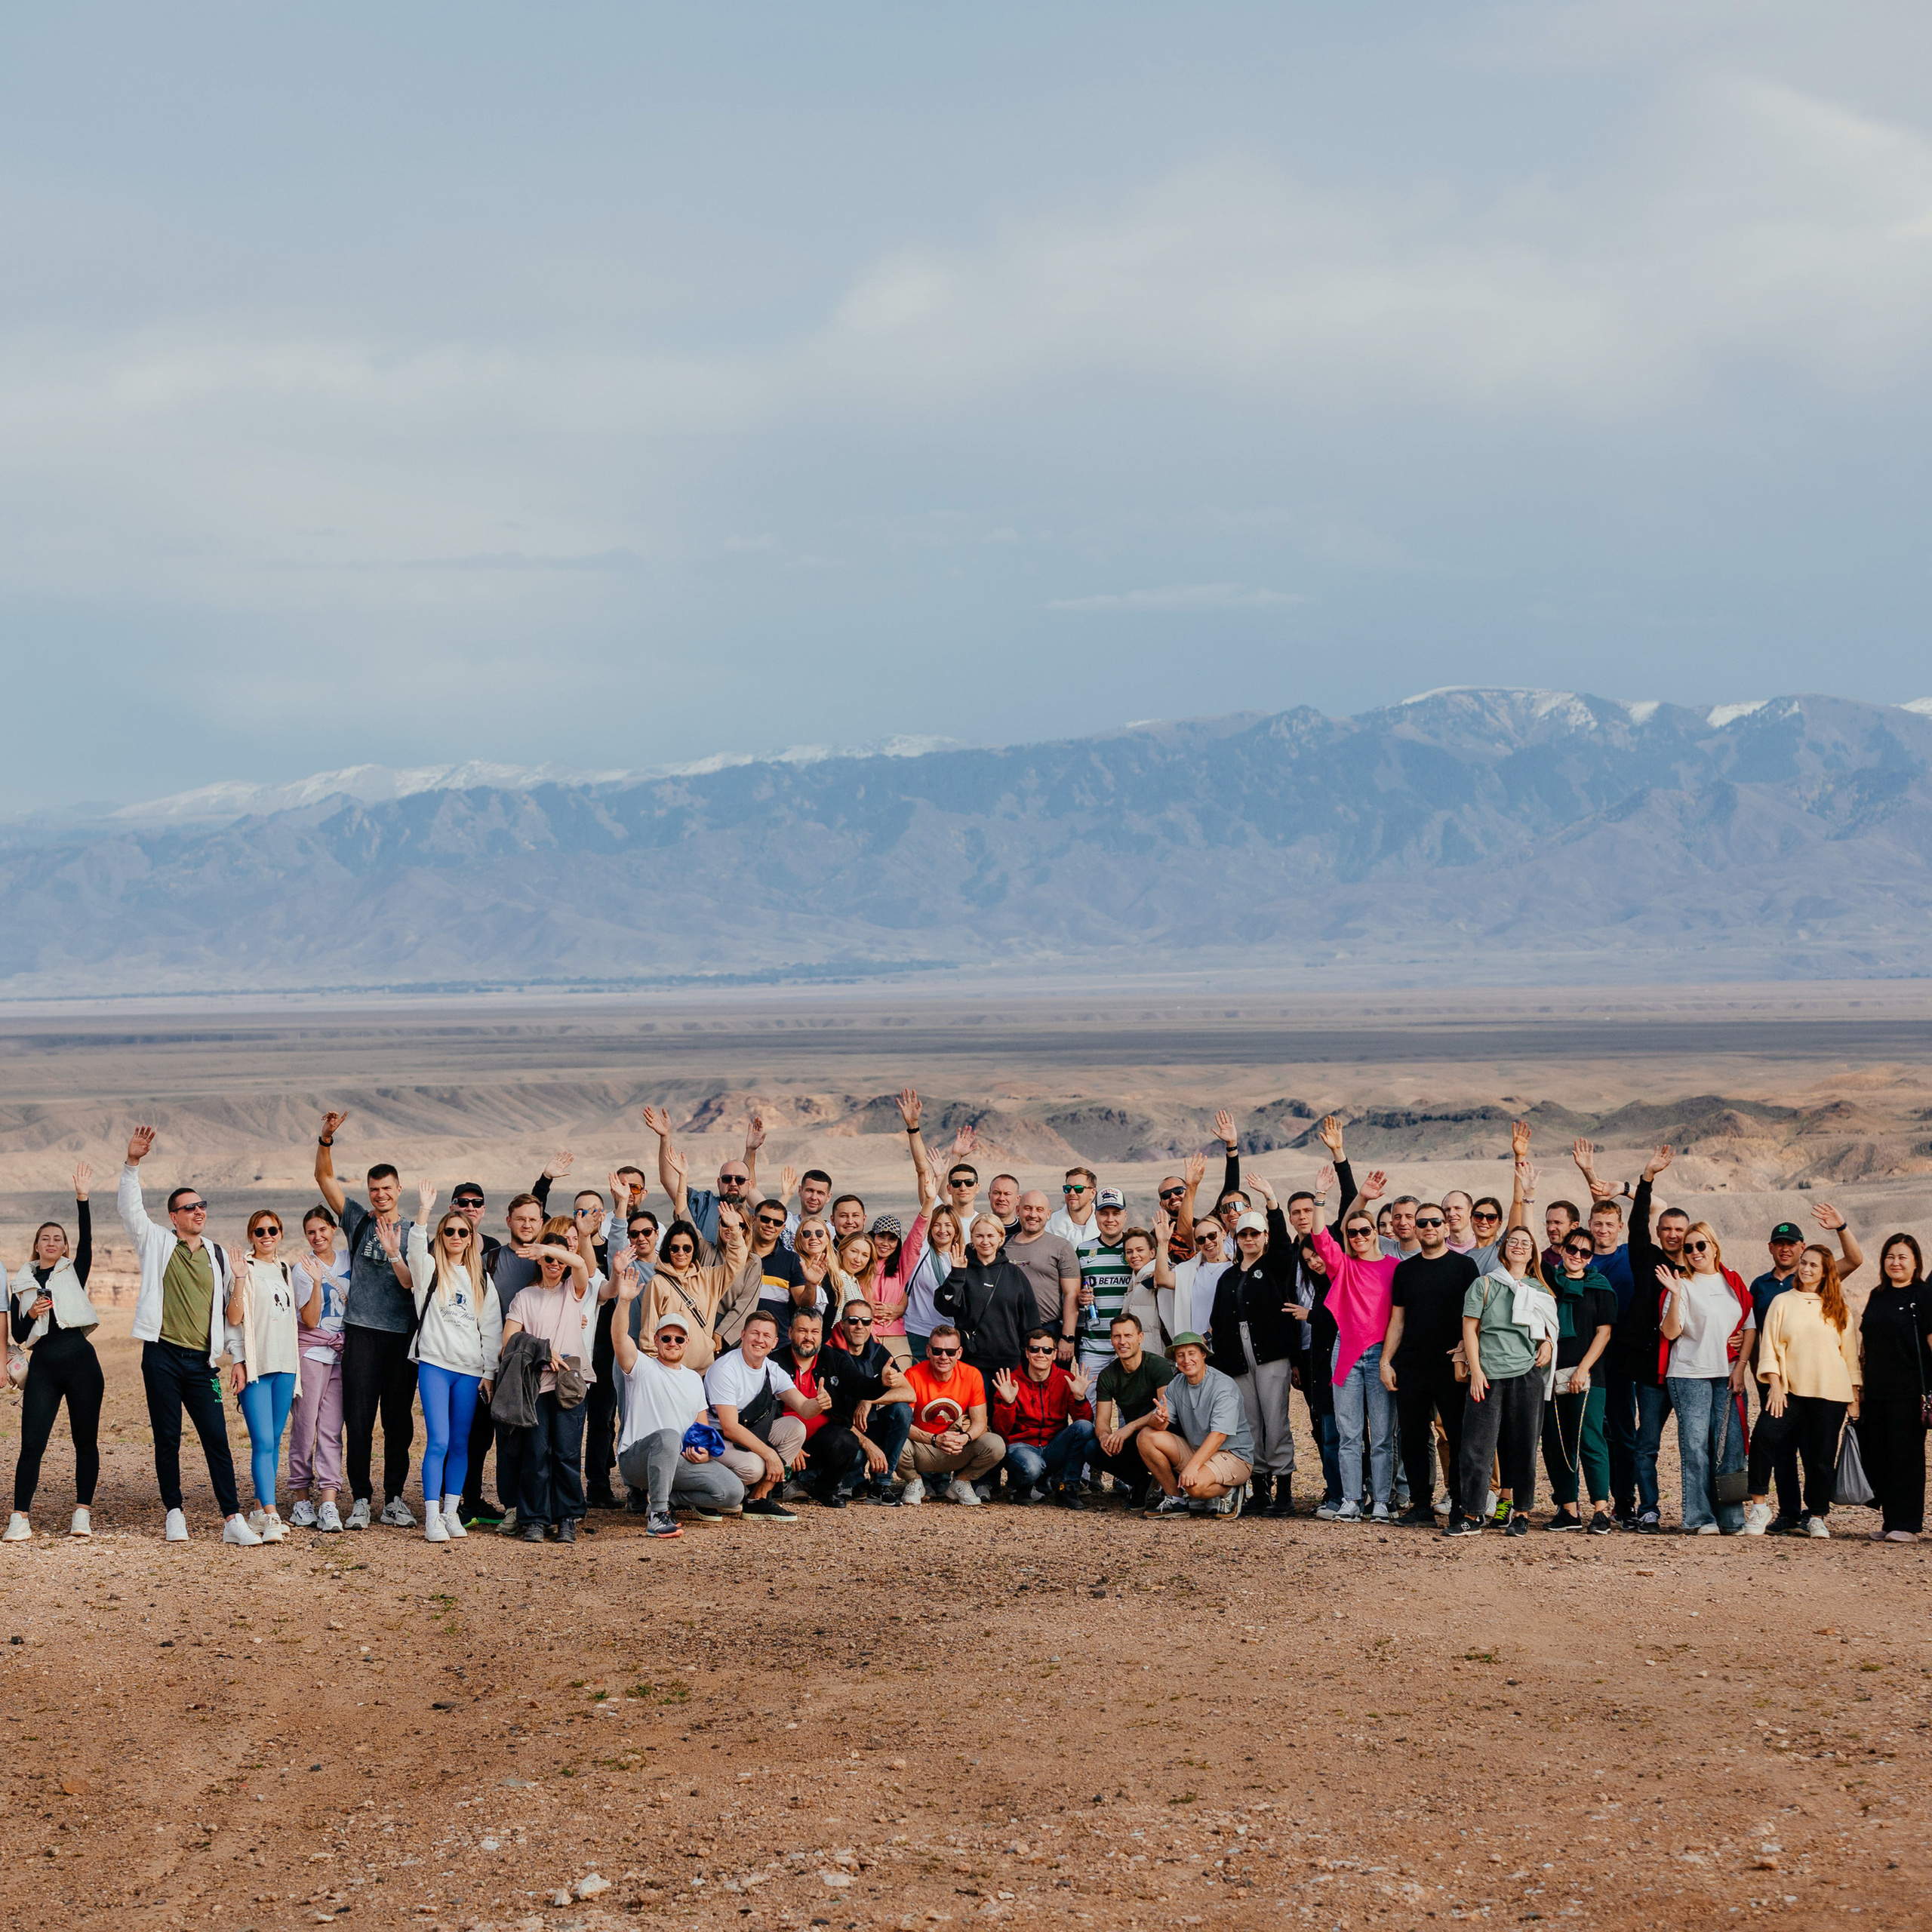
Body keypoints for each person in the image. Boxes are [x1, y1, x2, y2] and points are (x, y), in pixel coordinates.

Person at [117, 1125, 258, 1544]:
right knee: (168, 1436)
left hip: (201, 1363)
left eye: (202, 1205)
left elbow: (228, 1317)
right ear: (174, 1216)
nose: (198, 1211)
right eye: (189, 1207)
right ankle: (174, 1512)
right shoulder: (157, 1241)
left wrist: (237, 1359)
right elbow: (130, 1211)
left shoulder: (216, 1253)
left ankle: (233, 1520)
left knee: (217, 1437)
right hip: (161, 1355)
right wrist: (133, 1164)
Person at [313, 1109, 417, 1531]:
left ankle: (394, 1499)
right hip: (361, 1334)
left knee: (398, 1422)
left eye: (386, 1188)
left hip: (401, 1338)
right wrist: (325, 1140)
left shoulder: (415, 1232)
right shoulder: (359, 1222)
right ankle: (360, 1499)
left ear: (398, 1189)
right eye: (374, 1189)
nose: (379, 1195)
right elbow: (324, 1180)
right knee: (358, 1420)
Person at [1746, 1207, 1866, 1534]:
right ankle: (1775, 1511)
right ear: (1772, 1248)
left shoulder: (1836, 1303)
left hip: (1830, 1390)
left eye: (1812, 1262)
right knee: (1769, 1443)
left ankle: (1815, 1516)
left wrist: (1854, 1396)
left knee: (1820, 1456)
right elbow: (1761, 1336)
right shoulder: (1773, 1294)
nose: (1807, 1267)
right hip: (1783, 1386)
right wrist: (1772, 1381)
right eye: (1805, 1264)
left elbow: (1849, 1355)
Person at [395, 1186, 503, 1543]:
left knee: (461, 1443)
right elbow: (414, 1250)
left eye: (463, 1232)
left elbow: (491, 1330)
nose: (457, 1237)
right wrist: (424, 1212)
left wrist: (488, 1374)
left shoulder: (482, 1280)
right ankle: (431, 1516)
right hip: (435, 1366)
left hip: (470, 1371)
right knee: (438, 1441)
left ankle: (451, 1512)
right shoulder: (430, 1271)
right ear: (441, 1236)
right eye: (450, 1232)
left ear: (472, 1239)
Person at [6, 1163, 104, 1542]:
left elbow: (90, 1239)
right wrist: (31, 1313)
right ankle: (20, 1517)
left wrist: (83, 1198)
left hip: (82, 1364)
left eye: (58, 1238)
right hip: (43, 1366)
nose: (51, 1242)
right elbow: (17, 1333)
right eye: (45, 1238)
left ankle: (82, 1513)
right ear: (36, 1245)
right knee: (32, 1442)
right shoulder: (23, 1284)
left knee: (86, 1441)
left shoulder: (74, 1272)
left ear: (65, 1247)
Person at [1200, 1179, 1303, 1519]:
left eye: (1255, 1234)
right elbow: (1217, 1318)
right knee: (1250, 1421)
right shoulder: (1228, 1277)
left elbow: (1285, 1243)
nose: (1248, 1240)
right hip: (1236, 1356)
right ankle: (1259, 1488)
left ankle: (1284, 1489)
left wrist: (1271, 1201)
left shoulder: (1275, 1266)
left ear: (1264, 1237)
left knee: (1276, 1419)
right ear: (1236, 1238)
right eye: (1243, 1235)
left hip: (1271, 1352)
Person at [1447, 1226, 1555, 1540]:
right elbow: (1470, 1329)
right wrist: (1477, 1371)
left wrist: (1548, 1342)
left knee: (1523, 1447)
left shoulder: (1540, 1289)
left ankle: (1520, 1513)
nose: (1519, 1247)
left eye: (1526, 1243)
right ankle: (1472, 1513)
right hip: (1489, 1374)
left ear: (1533, 1252)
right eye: (1513, 1242)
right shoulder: (1484, 1285)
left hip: (1526, 1376)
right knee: (1476, 1447)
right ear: (1503, 1248)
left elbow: (1549, 1327)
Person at [499, 1215, 598, 1544]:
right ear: (539, 1261)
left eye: (560, 1259)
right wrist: (541, 1349)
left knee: (567, 1453)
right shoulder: (524, 1298)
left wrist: (549, 1247)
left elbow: (582, 1265)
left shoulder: (575, 1291)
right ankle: (536, 1519)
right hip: (536, 1386)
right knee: (536, 1453)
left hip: (570, 1384)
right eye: (548, 1259)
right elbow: (508, 1343)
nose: (555, 1264)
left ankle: (567, 1518)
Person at [1381, 1202, 1479, 1529]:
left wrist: (1467, 1348)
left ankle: (1460, 1505)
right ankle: (1421, 1506)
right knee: (1411, 1437)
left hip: (1452, 1367)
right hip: (1411, 1366)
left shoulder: (1465, 1267)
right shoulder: (1405, 1271)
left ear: (1446, 1226)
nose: (1429, 1227)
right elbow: (1398, 1319)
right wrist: (1386, 1360)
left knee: (1457, 1436)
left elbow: (1476, 1317)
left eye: (1435, 1221)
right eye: (1422, 1222)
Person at [611, 1298, 743, 1539]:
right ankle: (658, 1516)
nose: (673, 1343)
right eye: (666, 1338)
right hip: (638, 1460)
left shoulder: (694, 1378)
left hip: (679, 1460)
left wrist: (703, 1452)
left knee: (733, 1492)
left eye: (679, 1339)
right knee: (669, 1437)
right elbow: (619, 1336)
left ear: (687, 1343)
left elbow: (702, 1427)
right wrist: (625, 1300)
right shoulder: (642, 1368)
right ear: (656, 1341)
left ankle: (670, 1498)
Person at [1601, 1147, 1683, 1534]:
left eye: (1679, 1231)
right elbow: (1638, 1224)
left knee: (1675, 1440)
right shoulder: (1645, 1257)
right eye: (1666, 1228)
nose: (1671, 1235)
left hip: (1678, 1362)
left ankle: (1704, 1509)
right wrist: (1646, 1179)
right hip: (1634, 1358)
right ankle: (1632, 1505)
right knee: (1631, 1434)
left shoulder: (1698, 1267)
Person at [1312, 1172, 1400, 1522]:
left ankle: (1380, 1501)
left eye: (1366, 1230)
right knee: (1349, 1435)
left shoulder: (1395, 1268)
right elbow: (1319, 1236)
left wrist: (1391, 1359)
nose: (1359, 1236)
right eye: (1352, 1232)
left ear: (1376, 1233)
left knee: (1381, 1436)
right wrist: (1322, 1196)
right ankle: (1351, 1500)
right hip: (1346, 1354)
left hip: (1382, 1357)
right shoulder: (1342, 1267)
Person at [1657, 1220, 1754, 1537]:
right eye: (1689, 1248)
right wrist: (1674, 1293)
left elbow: (1749, 1327)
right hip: (1690, 1374)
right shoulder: (1682, 1283)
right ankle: (1700, 1518)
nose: (1695, 1252)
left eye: (1701, 1245)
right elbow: (1671, 1332)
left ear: (1714, 1246)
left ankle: (1731, 1518)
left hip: (1726, 1373)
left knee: (1730, 1447)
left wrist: (1740, 1368)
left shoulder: (1733, 1282)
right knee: (1696, 1447)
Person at [460, 1192, 546, 1531]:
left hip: (539, 1367)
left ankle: (531, 1507)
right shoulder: (490, 1260)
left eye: (533, 1219)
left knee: (534, 1440)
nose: (527, 1224)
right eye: (520, 1218)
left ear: (541, 1223)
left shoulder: (548, 1259)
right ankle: (470, 1500)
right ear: (508, 1221)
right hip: (493, 1365)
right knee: (480, 1436)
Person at [935, 1215, 1036, 1469]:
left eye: (991, 1236)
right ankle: (980, 1478)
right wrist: (957, 1274)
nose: (985, 1241)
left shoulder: (1014, 1274)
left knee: (1008, 1420)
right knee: (975, 1422)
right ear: (972, 1238)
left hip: (1008, 1363)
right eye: (979, 1235)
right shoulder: (963, 1269)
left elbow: (1030, 1321)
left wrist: (1030, 1360)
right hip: (973, 1363)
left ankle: (1015, 1476)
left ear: (1001, 1238)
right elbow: (945, 1305)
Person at [228, 1208, 303, 1542]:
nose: (267, 1236)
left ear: (281, 1233)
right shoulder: (245, 1268)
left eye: (272, 1230)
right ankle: (272, 1514)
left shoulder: (284, 1269)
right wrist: (240, 1278)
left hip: (286, 1364)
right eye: (260, 1232)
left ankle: (260, 1510)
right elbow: (233, 1317)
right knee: (261, 1441)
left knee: (274, 1440)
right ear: (251, 1236)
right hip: (259, 1367)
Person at [1540, 1228, 1617, 1533]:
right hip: (1550, 1373)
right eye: (1572, 1249)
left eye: (1585, 1253)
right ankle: (1568, 1510)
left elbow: (1604, 1332)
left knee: (1590, 1438)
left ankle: (1601, 1509)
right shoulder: (1548, 1284)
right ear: (1562, 1249)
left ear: (1591, 1257)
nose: (1577, 1256)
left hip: (1589, 1375)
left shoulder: (1600, 1286)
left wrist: (1583, 1368)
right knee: (1557, 1441)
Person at [703, 1309, 816, 1520]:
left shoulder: (772, 1369)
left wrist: (819, 1403)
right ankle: (707, 1493)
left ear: (774, 1343)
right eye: (755, 1333)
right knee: (754, 1468)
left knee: (795, 1427)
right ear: (743, 1335)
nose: (759, 1340)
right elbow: (729, 1426)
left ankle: (758, 1498)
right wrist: (770, 1454)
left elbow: (804, 1408)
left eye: (766, 1336)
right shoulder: (726, 1368)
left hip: (748, 1433)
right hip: (717, 1437)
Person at [1855, 1235, 1931, 1543]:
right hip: (1876, 1389)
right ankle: (1890, 1522)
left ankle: (1908, 1524)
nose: (1895, 1262)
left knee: (1906, 1456)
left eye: (1902, 1257)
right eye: (1890, 1257)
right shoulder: (1878, 1294)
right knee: (1881, 1453)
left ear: (1915, 1262)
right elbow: (1865, 1340)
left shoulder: (1924, 1295)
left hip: (1910, 1390)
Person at [1137, 1332, 1254, 1519]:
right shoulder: (1177, 1384)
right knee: (1146, 1436)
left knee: (1193, 1486)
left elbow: (1219, 1435)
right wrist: (1160, 1420)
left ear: (1203, 1355)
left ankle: (1231, 1490)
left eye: (1192, 1353)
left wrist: (1192, 1466)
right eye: (1180, 1355)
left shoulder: (1223, 1385)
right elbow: (1159, 1425)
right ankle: (1176, 1500)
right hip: (1198, 1449)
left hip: (1232, 1454)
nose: (1186, 1360)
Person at [287, 1205, 348, 1532]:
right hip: (311, 1353)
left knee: (331, 1429)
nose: (317, 1236)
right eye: (311, 1232)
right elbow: (309, 1320)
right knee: (305, 1426)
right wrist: (313, 1284)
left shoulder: (347, 1261)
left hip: (340, 1355)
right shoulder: (302, 1270)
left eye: (322, 1229)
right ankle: (300, 1499)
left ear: (333, 1229)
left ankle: (328, 1502)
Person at [894, 1324, 1005, 1504]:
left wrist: (965, 1439)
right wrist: (934, 1439)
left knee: (995, 1445)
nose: (944, 1357)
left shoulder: (972, 1375)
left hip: (957, 1447)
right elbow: (902, 1423)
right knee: (894, 1439)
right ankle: (914, 1481)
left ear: (959, 1353)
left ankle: (962, 1482)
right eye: (937, 1351)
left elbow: (980, 1422)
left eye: (950, 1352)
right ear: (928, 1351)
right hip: (924, 1446)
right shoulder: (913, 1375)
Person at [822, 1298, 915, 1505]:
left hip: (869, 1423)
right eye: (853, 1320)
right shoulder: (829, 1353)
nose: (859, 1326)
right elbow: (829, 1414)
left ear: (872, 1325)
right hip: (841, 1428)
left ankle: (881, 1485)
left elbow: (910, 1394)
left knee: (902, 1411)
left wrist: (870, 1399)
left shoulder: (878, 1352)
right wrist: (868, 1445)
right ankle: (848, 1482)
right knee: (852, 1455)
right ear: (842, 1324)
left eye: (865, 1321)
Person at [989, 1332, 1096, 1507]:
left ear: (1054, 1354)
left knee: (1084, 1427)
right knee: (1032, 1467)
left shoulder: (1065, 1379)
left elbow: (1084, 1424)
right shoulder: (1012, 1381)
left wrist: (1079, 1398)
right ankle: (1020, 1486)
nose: (1041, 1354)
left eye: (1047, 1350)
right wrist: (1008, 1404)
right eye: (1035, 1349)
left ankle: (1067, 1488)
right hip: (1021, 1446)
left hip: (1053, 1446)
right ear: (1027, 1352)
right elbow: (1001, 1431)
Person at [645, 1208, 749, 1374]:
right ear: (667, 1249)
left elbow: (736, 1263)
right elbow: (649, 1332)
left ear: (694, 1251)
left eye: (687, 1248)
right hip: (669, 1371)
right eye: (675, 1248)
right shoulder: (658, 1283)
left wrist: (735, 1230)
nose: (681, 1253)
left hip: (704, 1372)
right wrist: (654, 1372)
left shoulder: (709, 1278)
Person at [645, 1105, 762, 1248]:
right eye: (727, 1179)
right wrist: (665, 1137)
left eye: (740, 1180)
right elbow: (669, 1181)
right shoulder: (702, 1204)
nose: (733, 1183)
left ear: (749, 1185)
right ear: (718, 1182)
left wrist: (751, 1151)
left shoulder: (758, 1218)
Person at [1091, 1312, 1177, 1506]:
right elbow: (1102, 1423)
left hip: (1161, 1433)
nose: (1122, 1341)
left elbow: (1166, 1410)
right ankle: (1142, 1483)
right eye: (1117, 1336)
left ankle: (1170, 1484)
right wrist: (1106, 1438)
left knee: (1151, 1418)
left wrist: (1129, 1428)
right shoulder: (1108, 1375)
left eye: (1128, 1335)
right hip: (1134, 1439)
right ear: (1111, 1340)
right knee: (1093, 1449)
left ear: (1140, 1338)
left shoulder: (1157, 1365)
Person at [1006, 1192, 1081, 1364]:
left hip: (1048, 1330)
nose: (1033, 1214)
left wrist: (1068, 1338)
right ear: (1017, 1211)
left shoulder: (1061, 1247)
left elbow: (1072, 1294)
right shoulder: (1002, 1246)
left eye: (1040, 1210)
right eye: (1027, 1209)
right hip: (1010, 1333)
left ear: (1048, 1214)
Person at [1072, 1189, 1135, 1385]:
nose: (1110, 1219)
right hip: (1093, 1346)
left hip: (1129, 1345)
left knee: (1130, 1409)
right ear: (1095, 1214)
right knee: (1089, 1406)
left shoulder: (1136, 1248)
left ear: (1125, 1215)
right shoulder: (1083, 1250)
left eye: (1116, 1213)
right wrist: (1080, 1298)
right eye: (1104, 1213)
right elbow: (1073, 1293)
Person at [1047, 1167, 1100, 1249]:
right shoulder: (1051, 1227)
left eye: (1078, 1189)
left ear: (1092, 1193)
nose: (1072, 1193)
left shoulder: (1104, 1225)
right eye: (1068, 1189)